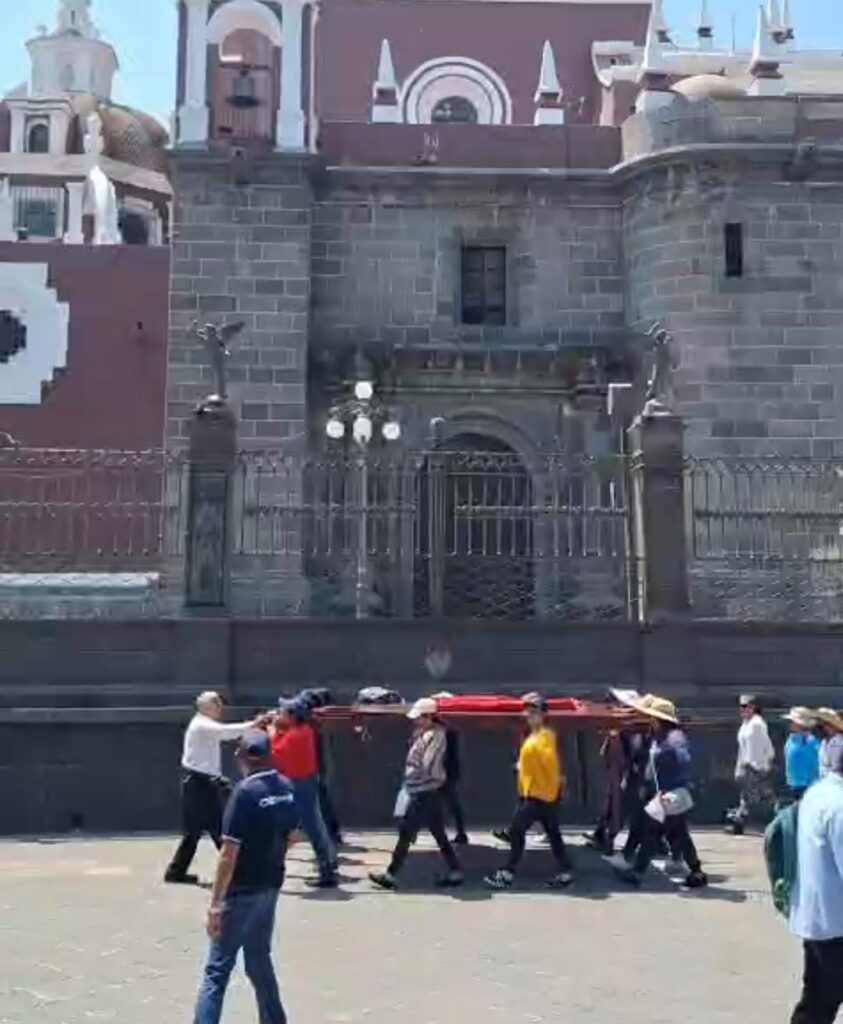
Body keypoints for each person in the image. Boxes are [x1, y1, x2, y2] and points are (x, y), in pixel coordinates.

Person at [192, 731, 299, 1024]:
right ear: (269, 755)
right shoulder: (286, 788)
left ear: (240, 757)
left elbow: (228, 853)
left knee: (217, 970)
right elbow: (293, 836)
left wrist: (216, 904)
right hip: (270, 885)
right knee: (258, 960)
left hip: (241, 889)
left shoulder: (244, 794)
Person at [606, 694, 708, 890]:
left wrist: (674, 786)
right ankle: (695, 870)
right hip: (665, 794)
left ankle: (638, 871)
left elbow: (684, 762)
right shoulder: (659, 737)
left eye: (652, 717)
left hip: (673, 794)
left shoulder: (674, 738)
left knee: (653, 831)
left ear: (658, 719)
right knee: (677, 833)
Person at [165, 691, 262, 885]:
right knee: (216, 828)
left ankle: (176, 872)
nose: (220, 707)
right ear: (204, 706)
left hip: (202, 782)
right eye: (216, 703)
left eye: (220, 703)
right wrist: (254, 724)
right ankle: (238, 871)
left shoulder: (205, 725)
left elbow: (226, 733)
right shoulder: (201, 725)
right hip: (199, 783)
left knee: (196, 831)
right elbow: (226, 732)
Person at [369, 698, 463, 890]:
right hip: (425, 790)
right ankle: (455, 871)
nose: (415, 721)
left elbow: (430, 764)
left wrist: (431, 779)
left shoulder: (435, 736)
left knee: (406, 833)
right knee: (438, 833)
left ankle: (391, 874)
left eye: (419, 717)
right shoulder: (429, 733)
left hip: (423, 791)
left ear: (428, 717)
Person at [485, 694, 574, 890]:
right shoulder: (535, 736)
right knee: (553, 834)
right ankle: (566, 871)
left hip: (538, 796)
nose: (530, 715)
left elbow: (551, 765)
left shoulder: (545, 737)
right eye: (528, 711)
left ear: (544, 715)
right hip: (539, 794)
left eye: (535, 712)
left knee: (517, 831)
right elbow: (536, 761)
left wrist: (554, 789)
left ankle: (507, 873)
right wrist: (522, 766)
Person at [788, 734, 843, 1024]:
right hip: (836, 924)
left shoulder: (818, 792)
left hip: (816, 918)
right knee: (820, 1000)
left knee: (817, 1001)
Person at [270, 699, 337, 889]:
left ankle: (327, 871)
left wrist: (272, 731)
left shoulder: (295, 735)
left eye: (282, 711)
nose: (278, 713)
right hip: (304, 781)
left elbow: (274, 755)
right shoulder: (303, 729)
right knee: (313, 825)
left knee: (311, 827)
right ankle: (328, 865)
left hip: (300, 784)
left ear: (292, 716)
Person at [726, 694, 776, 835]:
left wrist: (755, 768)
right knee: (749, 797)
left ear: (752, 708)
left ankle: (779, 820)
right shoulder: (746, 724)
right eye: (740, 707)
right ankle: (739, 823)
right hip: (748, 766)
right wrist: (740, 767)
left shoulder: (757, 724)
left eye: (744, 707)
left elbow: (760, 748)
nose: (741, 710)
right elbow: (742, 749)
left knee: (762, 798)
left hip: (756, 766)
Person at [441, 718, 469, 845]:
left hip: (445, 775)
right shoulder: (449, 733)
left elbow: (445, 756)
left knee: (450, 803)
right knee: (452, 804)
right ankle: (460, 832)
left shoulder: (445, 734)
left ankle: (460, 833)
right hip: (448, 774)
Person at [784, 707, 821, 800]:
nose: (791, 724)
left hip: (808, 785)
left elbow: (817, 762)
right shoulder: (791, 739)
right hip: (793, 783)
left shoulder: (811, 741)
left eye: (793, 721)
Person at [814, 708, 843, 779]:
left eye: (827, 724)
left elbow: (836, 767)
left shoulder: (840, 742)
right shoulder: (823, 742)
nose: (825, 727)